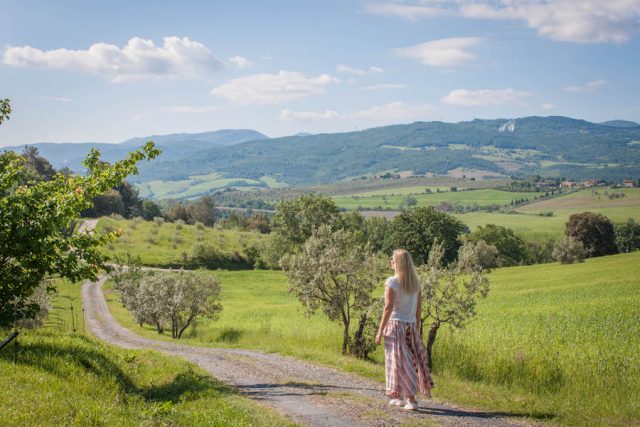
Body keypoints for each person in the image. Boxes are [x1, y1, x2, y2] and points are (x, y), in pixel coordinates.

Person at [375, 249, 434, 410]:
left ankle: (411, 399)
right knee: (404, 360)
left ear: (397, 263)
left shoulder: (392, 282)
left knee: (400, 361)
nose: (391, 262)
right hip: (411, 325)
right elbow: (418, 309)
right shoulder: (415, 283)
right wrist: (418, 326)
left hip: (395, 325)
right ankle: (398, 396)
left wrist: (380, 331)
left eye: (392, 259)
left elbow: (388, 308)